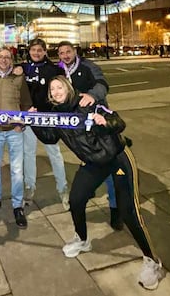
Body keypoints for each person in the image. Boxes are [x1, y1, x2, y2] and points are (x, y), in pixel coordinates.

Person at [33, 75, 163, 291]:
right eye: (52, 89)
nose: (55, 92)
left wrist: (104, 123)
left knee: (128, 212)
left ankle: (152, 261)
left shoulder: (87, 103)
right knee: (76, 200)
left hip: (117, 158)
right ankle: (82, 239)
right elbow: (49, 137)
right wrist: (33, 121)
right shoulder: (57, 116)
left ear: (68, 88)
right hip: (93, 163)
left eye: (59, 87)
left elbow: (118, 122)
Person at [56, 40, 123, 231]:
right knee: (87, 158)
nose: (65, 55)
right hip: (79, 128)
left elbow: (102, 84)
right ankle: (90, 189)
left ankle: (115, 209)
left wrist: (92, 95)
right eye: (62, 53)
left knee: (109, 169)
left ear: (74, 51)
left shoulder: (87, 66)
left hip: (97, 122)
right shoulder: (60, 72)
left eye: (68, 52)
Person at [15, 38, 70, 210]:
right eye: (33, 50)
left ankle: (63, 189)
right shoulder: (23, 68)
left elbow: (61, 93)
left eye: (40, 50)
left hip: (47, 119)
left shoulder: (54, 69)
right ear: (29, 51)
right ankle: (30, 187)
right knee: (28, 153)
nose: (36, 53)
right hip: (29, 119)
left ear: (45, 51)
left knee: (54, 153)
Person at [0, 46, 34, 228]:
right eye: (1, 57)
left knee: (17, 170)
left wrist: (22, 123)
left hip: (15, 130)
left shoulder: (19, 75)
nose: (4, 60)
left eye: (7, 57)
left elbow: (26, 101)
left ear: (11, 59)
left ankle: (17, 206)